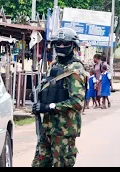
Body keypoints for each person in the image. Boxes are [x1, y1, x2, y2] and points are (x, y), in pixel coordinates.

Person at [31, 27, 87, 167]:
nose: (61, 46)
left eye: (65, 43)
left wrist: (50, 107)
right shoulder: (55, 66)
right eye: (58, 43)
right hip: (48, 127)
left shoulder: (76, 69)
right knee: (39, 164)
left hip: (64, 130)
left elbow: (77, 102)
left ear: (73, 45)